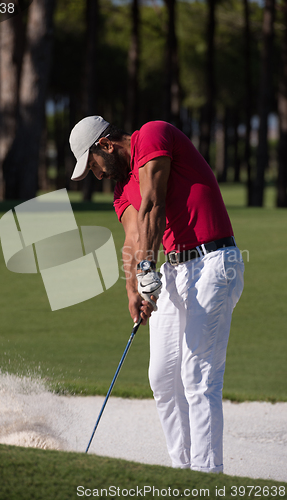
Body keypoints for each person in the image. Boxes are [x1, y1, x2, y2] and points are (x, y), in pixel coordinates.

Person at [69, 115, 244, 474]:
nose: (97, 175)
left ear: (105, 144)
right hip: (175, 270)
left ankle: (207, 475)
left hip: (213, 262)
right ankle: (181, 471)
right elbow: (133, 238)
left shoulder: (152, 135)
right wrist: (133, 288)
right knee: (163, 377)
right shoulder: (121, 188)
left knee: (198, 373)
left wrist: (148, 268)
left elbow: (154, 204)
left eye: (94, 165)